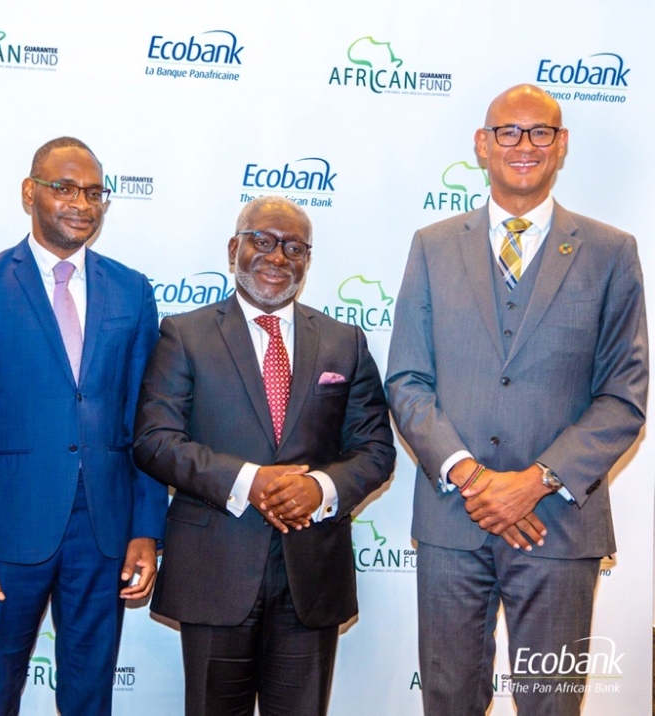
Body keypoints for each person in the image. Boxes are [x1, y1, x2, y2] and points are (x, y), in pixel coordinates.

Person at [385, 84, 648, 715]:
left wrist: (534, 481)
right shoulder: (433, 244)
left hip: (557, 527)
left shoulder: (612, 252)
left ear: (561, 147)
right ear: (482, 144)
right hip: (454, 523)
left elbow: (623, 397)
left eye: (540, 132)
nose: (523, 145)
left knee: (552, 707)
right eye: (508, 131)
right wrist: (475, 479)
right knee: (447, 703)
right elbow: (407, 381)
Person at [133, 196, 395, 715]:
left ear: (308, 259)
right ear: (234, 248)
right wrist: (250, 481)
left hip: (311, 580)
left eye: (294, 246)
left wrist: (318, 488)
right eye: (263, 240)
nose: (278, 257)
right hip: (215, 575)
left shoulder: (344, 342)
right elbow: (155, 439)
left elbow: (376, 450)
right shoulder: (184, 335)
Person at [0, 136, 166, 715]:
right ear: (29, 192)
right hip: (4, 530)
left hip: (106, 530)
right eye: (64, 188)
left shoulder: (132, 291)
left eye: (93, 192)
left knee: (90, 697)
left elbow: (148, 418)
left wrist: (146, 529)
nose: (81, 203)